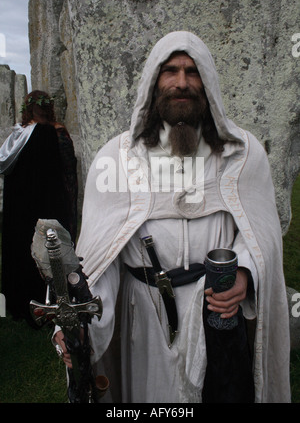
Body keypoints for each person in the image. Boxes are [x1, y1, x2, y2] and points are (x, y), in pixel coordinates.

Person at [54, 31, 290, 403]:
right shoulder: (116, 159)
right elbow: (100, 262)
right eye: (170, 71)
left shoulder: (243, 154)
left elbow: (261, 232)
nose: (182, 83)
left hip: (215, 309)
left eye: (192, 72)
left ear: (207, 82)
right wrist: (82, 327)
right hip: (143, 321)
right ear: (153, 81)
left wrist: (244, 270)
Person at [0, 90, 78, 326]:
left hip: (21, 213)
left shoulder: (18, 135)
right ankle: (55, 302)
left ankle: (23, 304)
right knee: (50, 251)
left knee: (24, 252)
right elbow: (68, 173)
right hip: (50, 208)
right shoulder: (57, 133)